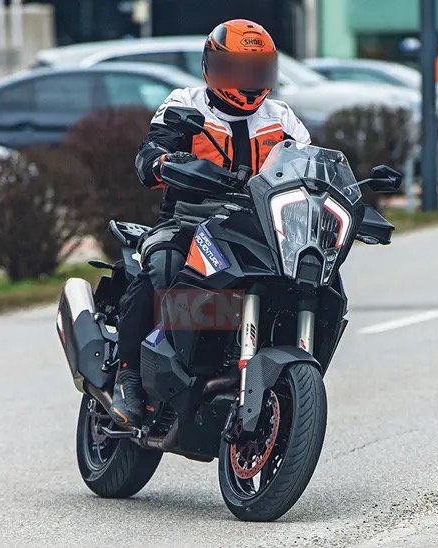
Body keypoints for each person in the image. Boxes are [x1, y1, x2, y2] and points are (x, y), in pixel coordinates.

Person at [108, 19, 311, 427]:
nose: (248, 80)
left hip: (258, 230)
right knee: (164, 264)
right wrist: (165, 162)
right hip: (187, 222)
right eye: (237, 69)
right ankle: (128, 374)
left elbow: (308, 170)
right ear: (212, 67)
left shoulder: (283, 118)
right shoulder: (186, 103)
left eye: (257, 70)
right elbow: (151, 155)